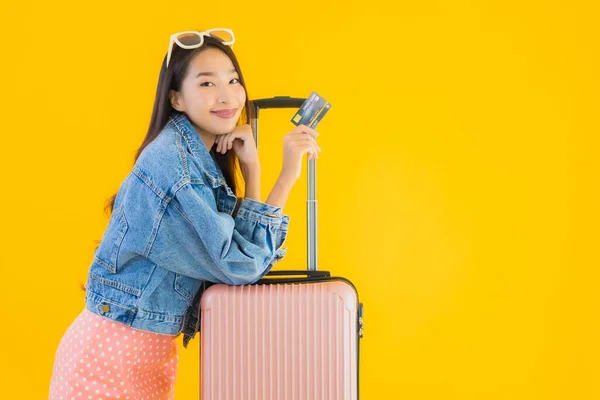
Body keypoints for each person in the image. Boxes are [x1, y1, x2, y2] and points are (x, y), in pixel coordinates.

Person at [49, 28, 321, 400]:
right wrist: (288, 174)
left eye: (232, 80)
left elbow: (241, 254)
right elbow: (240, 266)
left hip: (145, 359)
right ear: (176, 98)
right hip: (106, 363)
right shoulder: (175, 169)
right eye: (207, 83)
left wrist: (252, 170)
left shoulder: (193, 158)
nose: (226, 95)